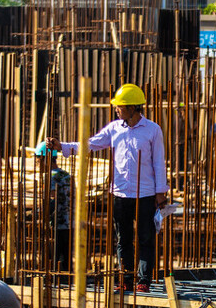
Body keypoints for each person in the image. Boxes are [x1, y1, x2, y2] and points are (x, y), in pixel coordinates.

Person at [47, 83, 168, 292]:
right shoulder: (114, 129)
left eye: (120, 106)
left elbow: (159, 162)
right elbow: (91, 144)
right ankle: (126, 278)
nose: (116, 109)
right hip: (120, 193)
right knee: (123, 238)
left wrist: (160, 194)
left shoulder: (152, 130)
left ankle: (143, 280)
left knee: (146, 238)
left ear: (132, 108)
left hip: (145, 194)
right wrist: (63, 147)